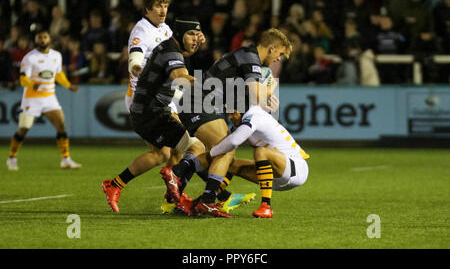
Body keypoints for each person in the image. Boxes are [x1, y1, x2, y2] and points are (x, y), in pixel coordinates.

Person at [162, 28, 292, 218]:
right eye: (280, 54)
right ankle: (195, 190)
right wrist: (272, 87)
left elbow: (229, 85)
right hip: (199, 102)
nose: (278, 59)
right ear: (272, 48)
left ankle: (181, 184)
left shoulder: (246, 55)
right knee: (226, 149)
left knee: (222, 153)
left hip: (202, 102)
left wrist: (233, 110)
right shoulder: (252, 59)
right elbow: (257, 96)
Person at [102, 16, 205, 212]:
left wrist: (195, 41)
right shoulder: (169, 52)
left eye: (197, 35)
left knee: (163, 153)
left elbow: (184, 57)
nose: (195, 39)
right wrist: (210, 83)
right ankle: (184, 188)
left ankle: (115, 185)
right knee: (197, 147)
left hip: (148, 109)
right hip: (152, 111)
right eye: (191, 34)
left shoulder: (169, 44)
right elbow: (179, 77)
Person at [208, 106, 310, 218]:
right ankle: (212, 200)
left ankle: (266, 207)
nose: (230, 117)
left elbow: (233, 141)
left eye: (233, 113)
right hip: (274, 177)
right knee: (230, 164)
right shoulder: (244, 122)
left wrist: (211, 153)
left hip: (297, 168)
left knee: (260, 152)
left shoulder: (253, 116)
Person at [5, 30, 81, 171]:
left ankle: (66, 159)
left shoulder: (56, 56)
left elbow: (58, 74)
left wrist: (69, 85)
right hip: (32, 99)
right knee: (23, 129)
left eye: (45, 37)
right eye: (39, 38)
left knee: (61, 125)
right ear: (36, 40)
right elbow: (23, 79)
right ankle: (11, 157)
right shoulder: (30, 58)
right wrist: (32, 84)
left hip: (49, 97)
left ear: (49, 39)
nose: (42, 40)